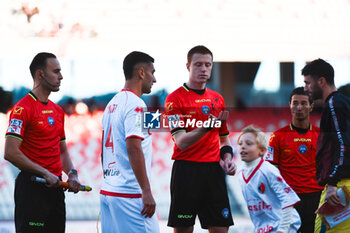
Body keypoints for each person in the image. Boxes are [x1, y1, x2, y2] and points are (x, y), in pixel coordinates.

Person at [4, 52, 80, 233]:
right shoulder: (22, 109)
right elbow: (10, 152)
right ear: (40, 74)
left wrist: (72, 173)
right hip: (32, 189)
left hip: (55, 189)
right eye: (56, 71)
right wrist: (44, 172)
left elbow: (62, 152)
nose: (61, 76)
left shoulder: (58, 111)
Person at [164, 45, 236, 233]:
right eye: (198, 64)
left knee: (221, 228)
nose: (203, 69)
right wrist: (207, 126)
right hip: (186, 171)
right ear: (188, 66)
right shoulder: (174, 99)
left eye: (207, 65)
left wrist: (228, 160)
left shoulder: (217, 99)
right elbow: (180, 141)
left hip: (213, 172)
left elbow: (224, 140)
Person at [99, 51, 159, 233]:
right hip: (130, 195)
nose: (154, 79)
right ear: (141, 73)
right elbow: (134, 148)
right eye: (152, 72)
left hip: (109, 191)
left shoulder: (110, 105)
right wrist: (146, 191)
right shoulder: (137, 104)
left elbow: (103, 153)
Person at [265, 87, 324, 233]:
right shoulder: (277, 136)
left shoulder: (321, 135)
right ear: (290, 106)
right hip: (289, 198)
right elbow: (271, 170)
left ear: (311, 107)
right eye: (295, 103)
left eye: (304, 103)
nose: (299, 107)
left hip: (317, 197)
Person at [302, 59, 350, 233]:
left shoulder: (333, 104)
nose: (306, 88)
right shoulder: (343, 102)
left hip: (340, 187)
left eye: (307, 83)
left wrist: (332, 183)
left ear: (321, 81)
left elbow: (343, 144)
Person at [238, 125, 301, 233]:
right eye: (240, 144)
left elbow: (288, 201)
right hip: (264, 229)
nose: (243, 147)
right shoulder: (241, 174)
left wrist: (282, 230)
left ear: (262, 150)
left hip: (284, 226)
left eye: (249, 144)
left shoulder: (268, 170)